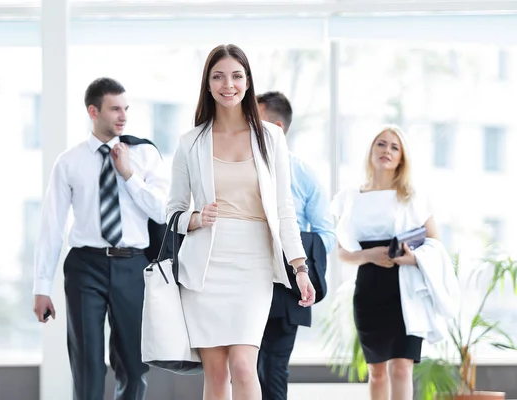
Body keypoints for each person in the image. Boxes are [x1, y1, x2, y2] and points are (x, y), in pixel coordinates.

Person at [166, 44, 316, 400]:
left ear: (248, 82)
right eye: (218, 76)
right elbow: (171, 211)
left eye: (236, 76)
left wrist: (300, 267)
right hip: (205, 264)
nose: (227, 84)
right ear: (207, 84)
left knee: (245, 366)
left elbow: (284, 209)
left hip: (253, 262)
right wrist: (196, 218)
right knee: (216, 373)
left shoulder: (271, 137)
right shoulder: (191, 142)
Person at [32, 77, 169, 400]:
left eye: (126, 109)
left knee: (134, 366)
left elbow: (162, 212)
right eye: (114, 109)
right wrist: (41, 289)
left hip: (133, 266)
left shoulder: (144, 155)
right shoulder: (69, 162)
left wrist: (129, 175)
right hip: (85, 266)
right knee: (88, 366)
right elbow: (52, 225)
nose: (123, 116)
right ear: (93, 111)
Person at [329, 125, 440, 400]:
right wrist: (368, 256)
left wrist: (411, 257)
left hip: (407, 290)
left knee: (401, 368)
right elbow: (342, 251)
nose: (386, 151)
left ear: (402, 157)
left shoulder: (413, 197)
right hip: (369, 290)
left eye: (394, 147)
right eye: (381, 144)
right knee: (377, 373)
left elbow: (436, 244)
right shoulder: (350, 198)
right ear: (371, 150)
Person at [256, 91, 335, 400]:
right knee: (244, 367)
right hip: (246, 277)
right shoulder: (240, 165)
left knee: (274, 369)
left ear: (277, 127)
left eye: (256, 121)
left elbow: (326, 235)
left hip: (288, 285)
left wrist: (293, 247)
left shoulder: (303, 175)